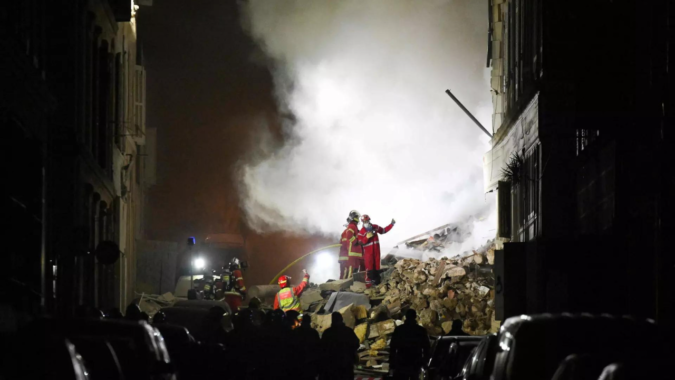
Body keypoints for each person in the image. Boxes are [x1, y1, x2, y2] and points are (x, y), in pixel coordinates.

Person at [390, 309, 431, 380]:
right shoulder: (421, 330)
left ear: (406, 316)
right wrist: (425, 362)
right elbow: (426, 348)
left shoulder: (399, 330)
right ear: (415, 317)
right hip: (415, 361)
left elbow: (393, 347)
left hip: (402, 361)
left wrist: (392, 364)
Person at [357, 214, 395, 287]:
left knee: (377, 269)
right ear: (362, 222)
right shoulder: (361, 232)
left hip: (376, 253)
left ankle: (377, 285)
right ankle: (369, 286)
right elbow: (360, 242)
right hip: (368, 254)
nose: (366, 222)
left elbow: (383, 230)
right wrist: (366, 237)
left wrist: (391, 224)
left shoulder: (375, 227)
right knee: (369, 271)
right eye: (365, 221)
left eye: (367, 221)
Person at [320, 312, 360, 380]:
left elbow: (322, 348)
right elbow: (356, 344)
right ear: (341, 319)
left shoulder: (327, 333)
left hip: (331, 367)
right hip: (346, 365)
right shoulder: (348, 331)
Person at [295, 315, 321, 380]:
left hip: (298, 364)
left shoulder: (296, 332)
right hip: (310, 364)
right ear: (309, 321)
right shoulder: (314, 333)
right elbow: (318, 349)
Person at [340, 210, 363, 279]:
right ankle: (348, 284)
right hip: (353, 252)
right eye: (357, 217)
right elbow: (349, 235)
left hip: (356, 252)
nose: (358, 219)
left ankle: (352, 284)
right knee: (351, 270)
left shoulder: (354, 226)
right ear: (354, 217)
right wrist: (355, 242)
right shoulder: (352, 226)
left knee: (355, 270)